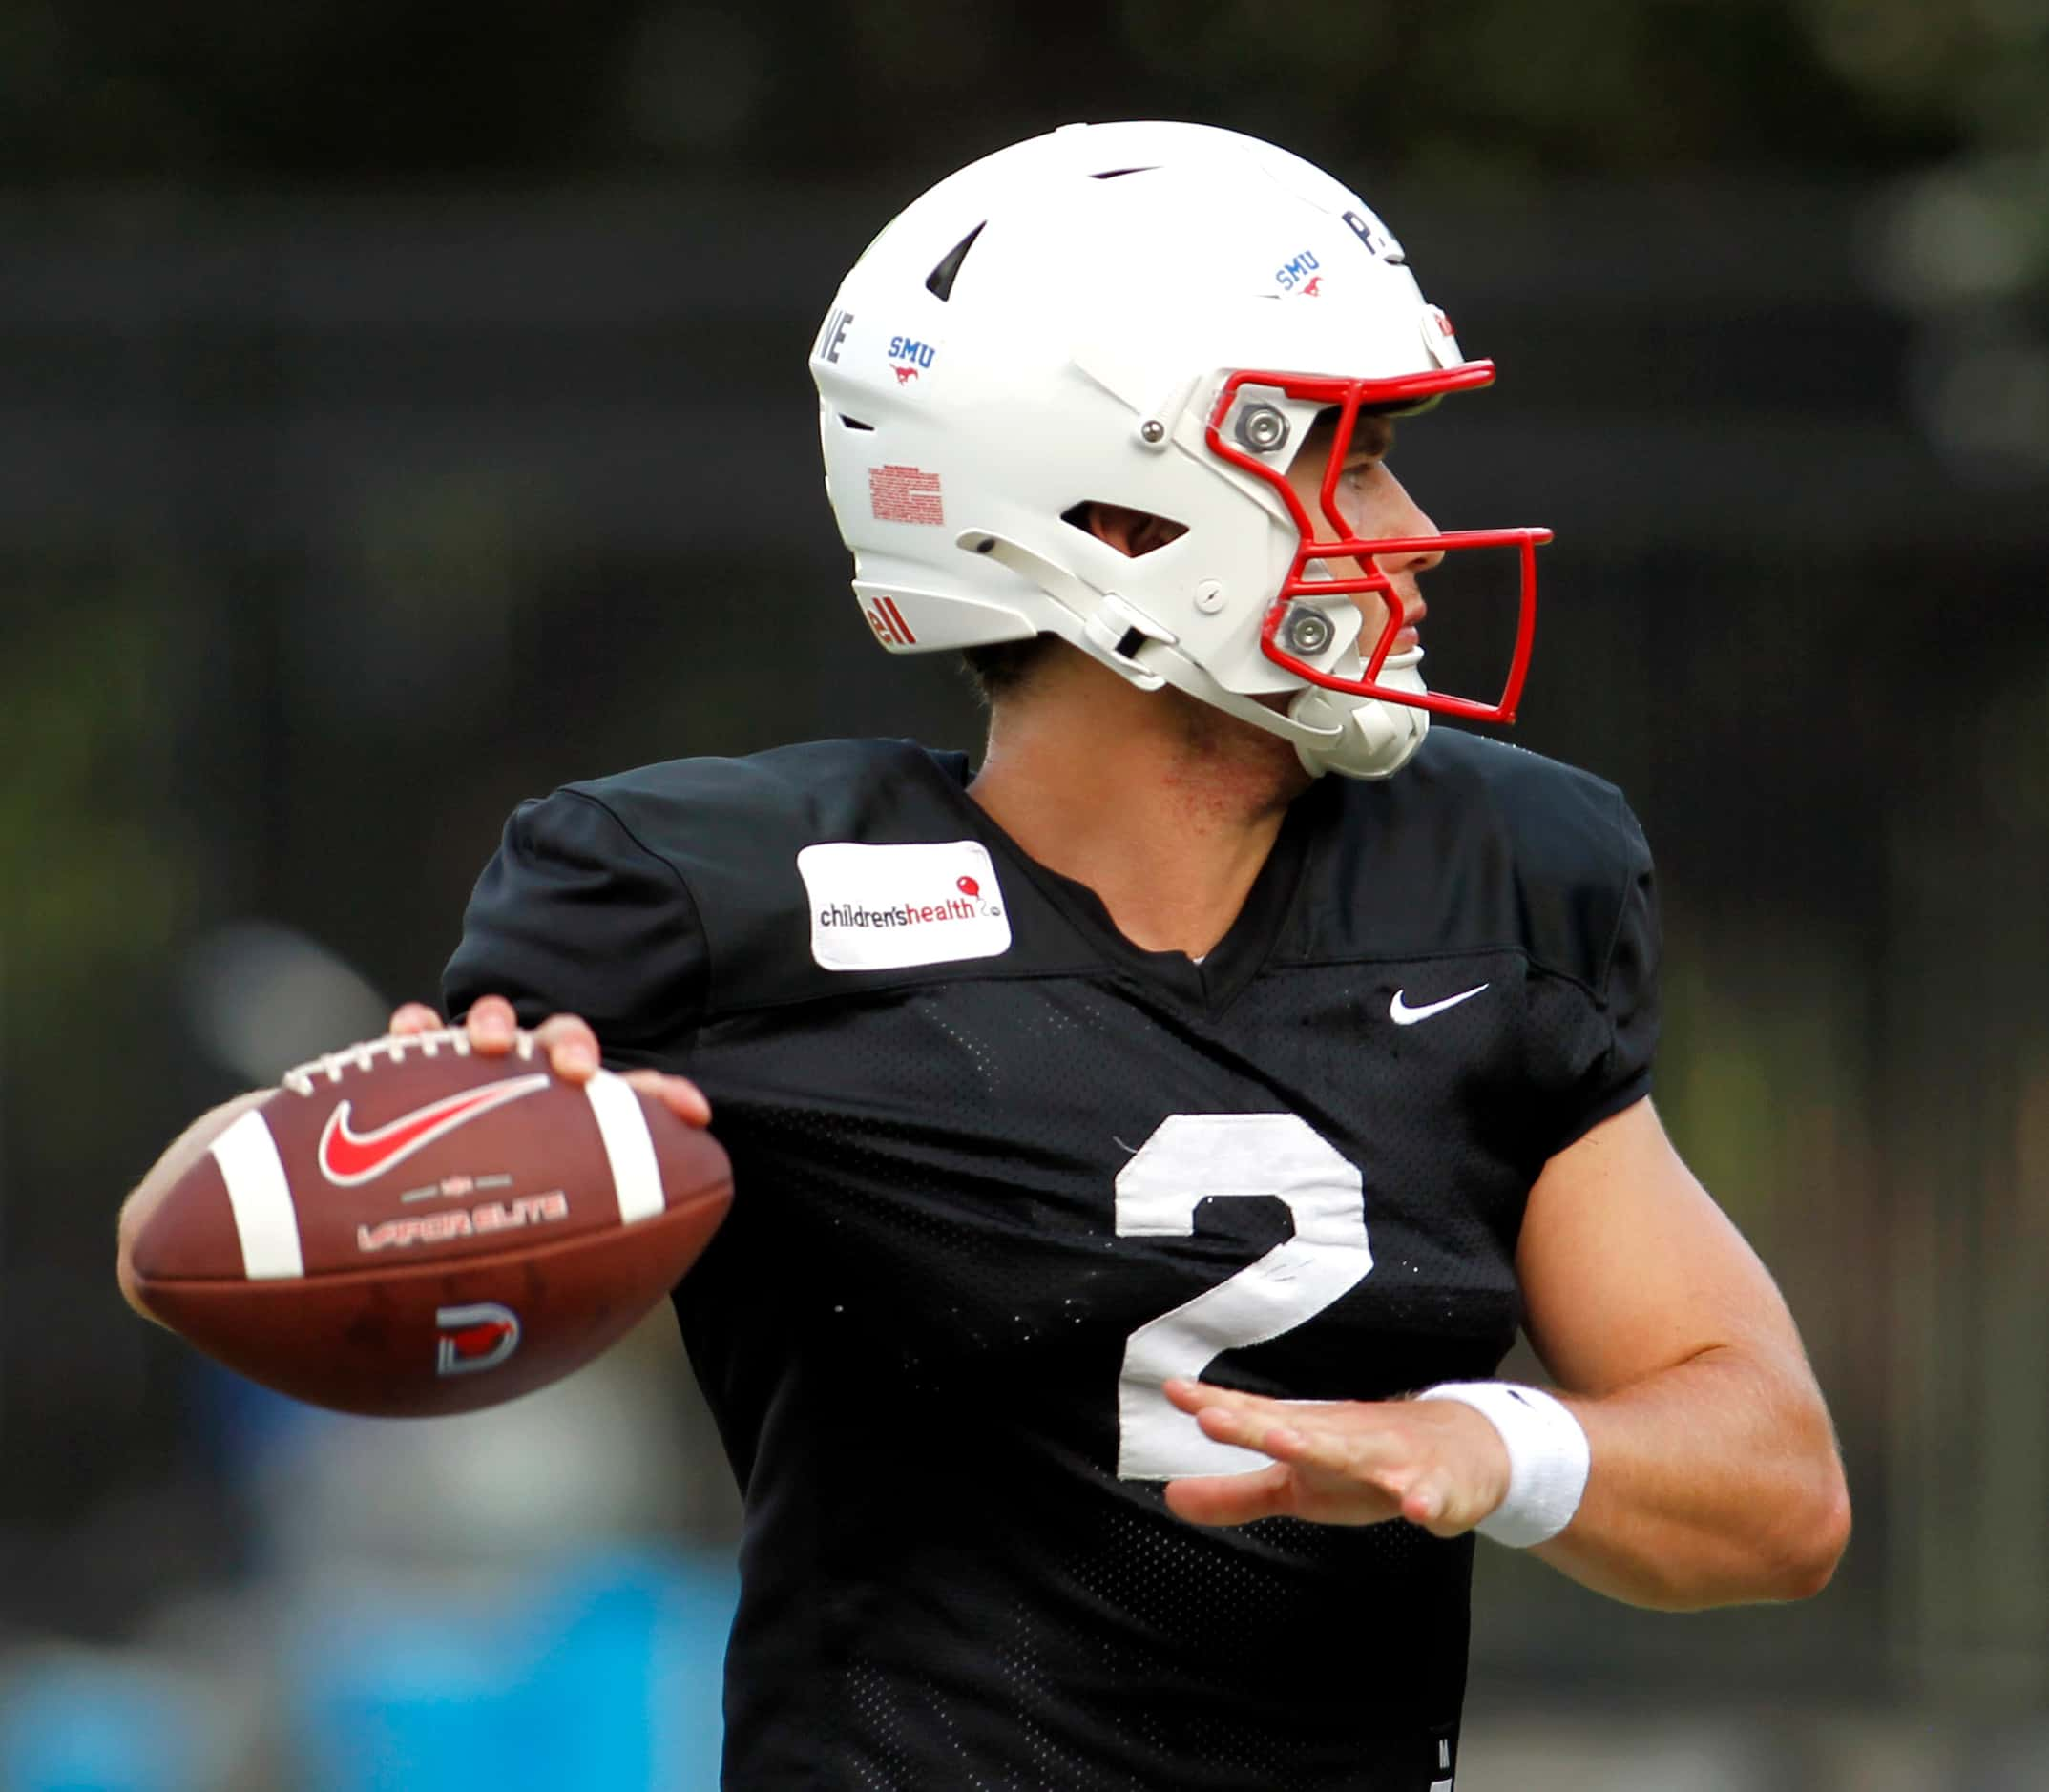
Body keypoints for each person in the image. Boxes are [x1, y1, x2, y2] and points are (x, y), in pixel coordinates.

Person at [120, 122, 1850, 1789]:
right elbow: (217, 1223)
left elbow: (1776, 1488)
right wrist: (503, 1126)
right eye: (1339, 454)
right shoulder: (712, 898)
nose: (1401, 531)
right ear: (1109, 520)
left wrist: (1490, 1445)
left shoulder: (1495, 873)